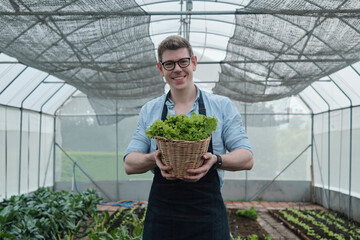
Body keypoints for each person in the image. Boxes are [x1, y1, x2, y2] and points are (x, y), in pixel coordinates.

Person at [124, 35, 254, 240]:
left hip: (207, 216)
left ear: (193, 63)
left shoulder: (221, 106)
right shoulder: (150, 110)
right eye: (169, 64)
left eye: (183, 61)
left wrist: (217, 160)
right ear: (161, 69)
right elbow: (129, 163)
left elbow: (246, 158)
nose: (177, 69)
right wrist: (153, 158)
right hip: (163, 217)